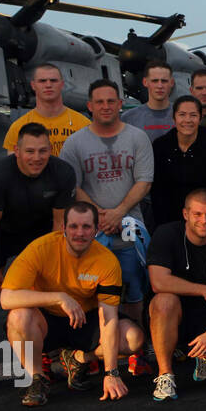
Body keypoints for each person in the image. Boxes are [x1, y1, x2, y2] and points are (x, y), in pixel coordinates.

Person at [1, 202, 144, 407]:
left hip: (84, 319)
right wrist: (58, 297)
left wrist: (111, 373)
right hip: (46, 319)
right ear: (63, 228)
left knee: (133, 338)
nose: (80, 233)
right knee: (18, 317)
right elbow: (6, 298)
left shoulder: (107, 261)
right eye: (74, 227)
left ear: (96, 230)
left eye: (86, 227)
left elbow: (109, 317)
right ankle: (37, 379)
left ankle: (79, 359)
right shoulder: (40, 249)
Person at [0, 123, 75, 392]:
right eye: (29, 151)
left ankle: (42, 358)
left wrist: (49, 267)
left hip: (39, 232)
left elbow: (58, 224)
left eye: (42, 151)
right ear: (16, 151)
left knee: (41, 291)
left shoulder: (62, 172)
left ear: (50, 150)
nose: (36, 157)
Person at [62, 80, 154, 341]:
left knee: (133, 284)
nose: (105, 106)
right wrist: (99, 215)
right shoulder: (75, 143)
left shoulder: (137, 137)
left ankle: (136, 342)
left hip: (128, 225)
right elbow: (74, 186)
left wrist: (119, 212)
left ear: (120, 104)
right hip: (90, 227)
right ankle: (88, 347)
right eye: (99, 102)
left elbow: (144, 181)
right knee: (88, 288)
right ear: (89, 106)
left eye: (111, 101)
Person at [146, 188, 206, 401]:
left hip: (204, 319)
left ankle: (204, 356)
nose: (204, 220)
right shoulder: (167, 234)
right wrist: (204, 289)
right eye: (197, 214)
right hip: (171, 316)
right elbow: (158, 282)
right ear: (186, 214)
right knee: (164, 300)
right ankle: (165, 374)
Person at [150, 95, 206, 227]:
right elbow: (157, 190)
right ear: (174, 117)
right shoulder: (161, 146)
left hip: (205, 220)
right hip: (169, 220)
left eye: (193, 115)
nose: (187, 120)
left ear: (200, 117)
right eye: (182, 114)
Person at [2, 63, 89, 156]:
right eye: (42, 81)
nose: (48, 85)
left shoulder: (83, 125)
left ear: (62, 84)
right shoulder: (18, 128)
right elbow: (13, 167)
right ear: (33, 85)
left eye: (53, 80)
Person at [122, 59, 176, 141]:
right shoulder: (128, 118)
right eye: (155, 81)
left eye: (164, 81)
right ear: (145, 82)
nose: (160, 86)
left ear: (171, 83)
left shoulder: (185, 116)